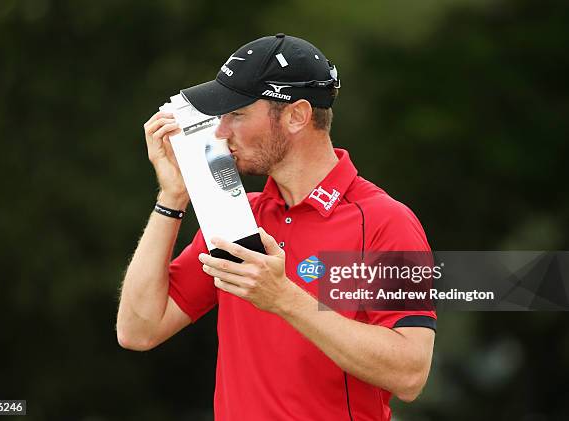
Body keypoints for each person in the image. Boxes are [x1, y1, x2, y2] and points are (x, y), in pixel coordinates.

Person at [117, 34, 436, 421]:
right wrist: (172, 198)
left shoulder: (386, 220)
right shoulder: (237, 216)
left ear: (296, 116)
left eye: (237, 114)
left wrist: (283, 297)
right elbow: (138, 330)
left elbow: (410, 373)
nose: (220, 132)